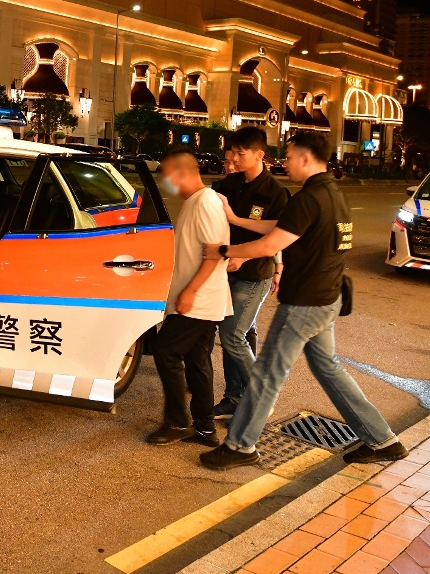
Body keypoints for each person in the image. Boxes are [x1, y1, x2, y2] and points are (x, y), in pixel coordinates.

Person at [198, 131, 407, 470]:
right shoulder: (331, 193)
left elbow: (270, 245)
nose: (286, 163)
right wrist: (235, 220)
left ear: (306, 158)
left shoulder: (309, 198)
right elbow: (283, 227)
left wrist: (224, 250)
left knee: (267, 373)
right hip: (327, 297)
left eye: (290, 156)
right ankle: (382, 440)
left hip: (305, 303)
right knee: (328, 369)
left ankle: (240, 446)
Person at [147, 145, 232, 447]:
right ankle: (205, 429)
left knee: (165, 351)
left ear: (182, 172)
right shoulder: (195, 201)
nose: (166, 184)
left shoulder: (206, 202)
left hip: (199, 300)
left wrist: (190, 292)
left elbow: (215, 254)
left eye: (167, 176)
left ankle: (177, 422)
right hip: (200, 298)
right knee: (198, 361)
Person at [211, 127, 288, 419]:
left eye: (241, 153)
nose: (235, 159)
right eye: (233, 153)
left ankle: (262, 394)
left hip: (254, 273)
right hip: (225, 269)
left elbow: (278, 236)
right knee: (233, 333)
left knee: (233, 335)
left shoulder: (275, 193)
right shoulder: (230, 184)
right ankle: (234, 397)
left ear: (259, 155)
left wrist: (244, 256)